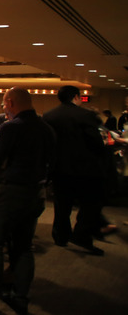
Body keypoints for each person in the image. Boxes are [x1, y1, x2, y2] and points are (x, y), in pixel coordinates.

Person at [0, 88, 55, 313]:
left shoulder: (11, 127)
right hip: (36, 193)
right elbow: (52, 163)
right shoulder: (47, 129)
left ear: (10, 102)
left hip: (9, 192)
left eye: (3, 105)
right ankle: (20, 297)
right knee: (23, 246)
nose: (4, 109)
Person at [42, 85, 106, 255]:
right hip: (85, 168)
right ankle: (81, 234)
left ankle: (60, 236)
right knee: (90, 204)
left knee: (62, 205)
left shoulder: (49, 116)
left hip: (59, 168)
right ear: (77, 97)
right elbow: (96, 143)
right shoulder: (85, 115)